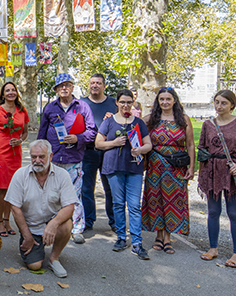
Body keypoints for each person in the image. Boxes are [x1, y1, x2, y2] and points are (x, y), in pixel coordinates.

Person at [197, 90, 236, 268]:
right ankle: (213, 248)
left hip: (232, 172)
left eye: (223, 103)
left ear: (232, 105)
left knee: (234, 213)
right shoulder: (208, 124)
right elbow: (202, 150)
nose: (219, 106)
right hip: (212, 171)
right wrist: (201, 175)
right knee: (213, 212)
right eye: (217, 102)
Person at [37, 73, 96, 244]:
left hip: (73, 159)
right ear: (56, 89)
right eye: (61, 86)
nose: (64, 88)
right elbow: (42, 133)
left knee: (74, 195)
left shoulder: (83, 107)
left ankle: (77, 229)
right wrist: (40, 155)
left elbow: (92, 131)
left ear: (72, 87)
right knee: (51, 194)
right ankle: (51, 225)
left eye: (67, 85)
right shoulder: (50, 108)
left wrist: (78, 138)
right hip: (53, 159)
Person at [5, 140, 77, 278]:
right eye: (34, 157)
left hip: (52, 222)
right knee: (35, 265)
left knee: (66, 224)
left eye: (41, 157)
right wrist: (26, 235)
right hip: (31, 227)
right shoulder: (20, 175)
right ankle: (36, 247)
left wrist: (53, 224)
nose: (37, 161)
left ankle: (54, 258)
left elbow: (70, 206)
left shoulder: (62, 175)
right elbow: (15, 208)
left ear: (50, 156)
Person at [95, 89, 152, 260]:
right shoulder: (109, 121)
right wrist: (114, 142)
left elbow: (148, 144)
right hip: (114, 167)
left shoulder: (139, 123)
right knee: (118, 203)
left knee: (134, 205)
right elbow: (98, 143)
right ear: (117, 103)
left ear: (133, 103)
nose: (125, 105)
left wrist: (140, 150)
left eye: (129, 102)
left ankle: (137, 242)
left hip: (134, 168)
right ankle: (121, 237)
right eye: (122, 102)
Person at [141, 87, 195, 254]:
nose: (165, 102)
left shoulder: (183, 119)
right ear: (158, 101)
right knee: (155, 199)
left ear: (174, 100)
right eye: (162, 99)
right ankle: (158, 236)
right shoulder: (150, 119)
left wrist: (192, 167)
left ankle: (168, 237)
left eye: (168, 99)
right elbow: (134, 130)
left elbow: (190, 144)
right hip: (155, 167)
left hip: (176, 167)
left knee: (173, 200)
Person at [0, 81, 29, 238]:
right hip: (1, 152)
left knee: (13, 188)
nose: (11, 92)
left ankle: (7, 219)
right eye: (7, 90)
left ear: (16, 92)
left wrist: (20, 140)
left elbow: (25, 132)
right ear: (3, 94)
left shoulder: (22, 110)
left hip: (15, 153)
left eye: (13, 90)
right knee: (3, 188)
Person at [81, 73, 116, 232]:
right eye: (92, 83)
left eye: (98, 83)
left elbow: (123, 121)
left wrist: (114, 118)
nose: (95, 85)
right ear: (89, 85)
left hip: (109, 151)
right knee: (86, 188)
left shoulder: (113, 103)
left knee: (110, 188)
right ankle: (88, 221)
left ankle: (114, 222)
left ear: (104, 86)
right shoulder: (81, 103)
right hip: (88, 151)